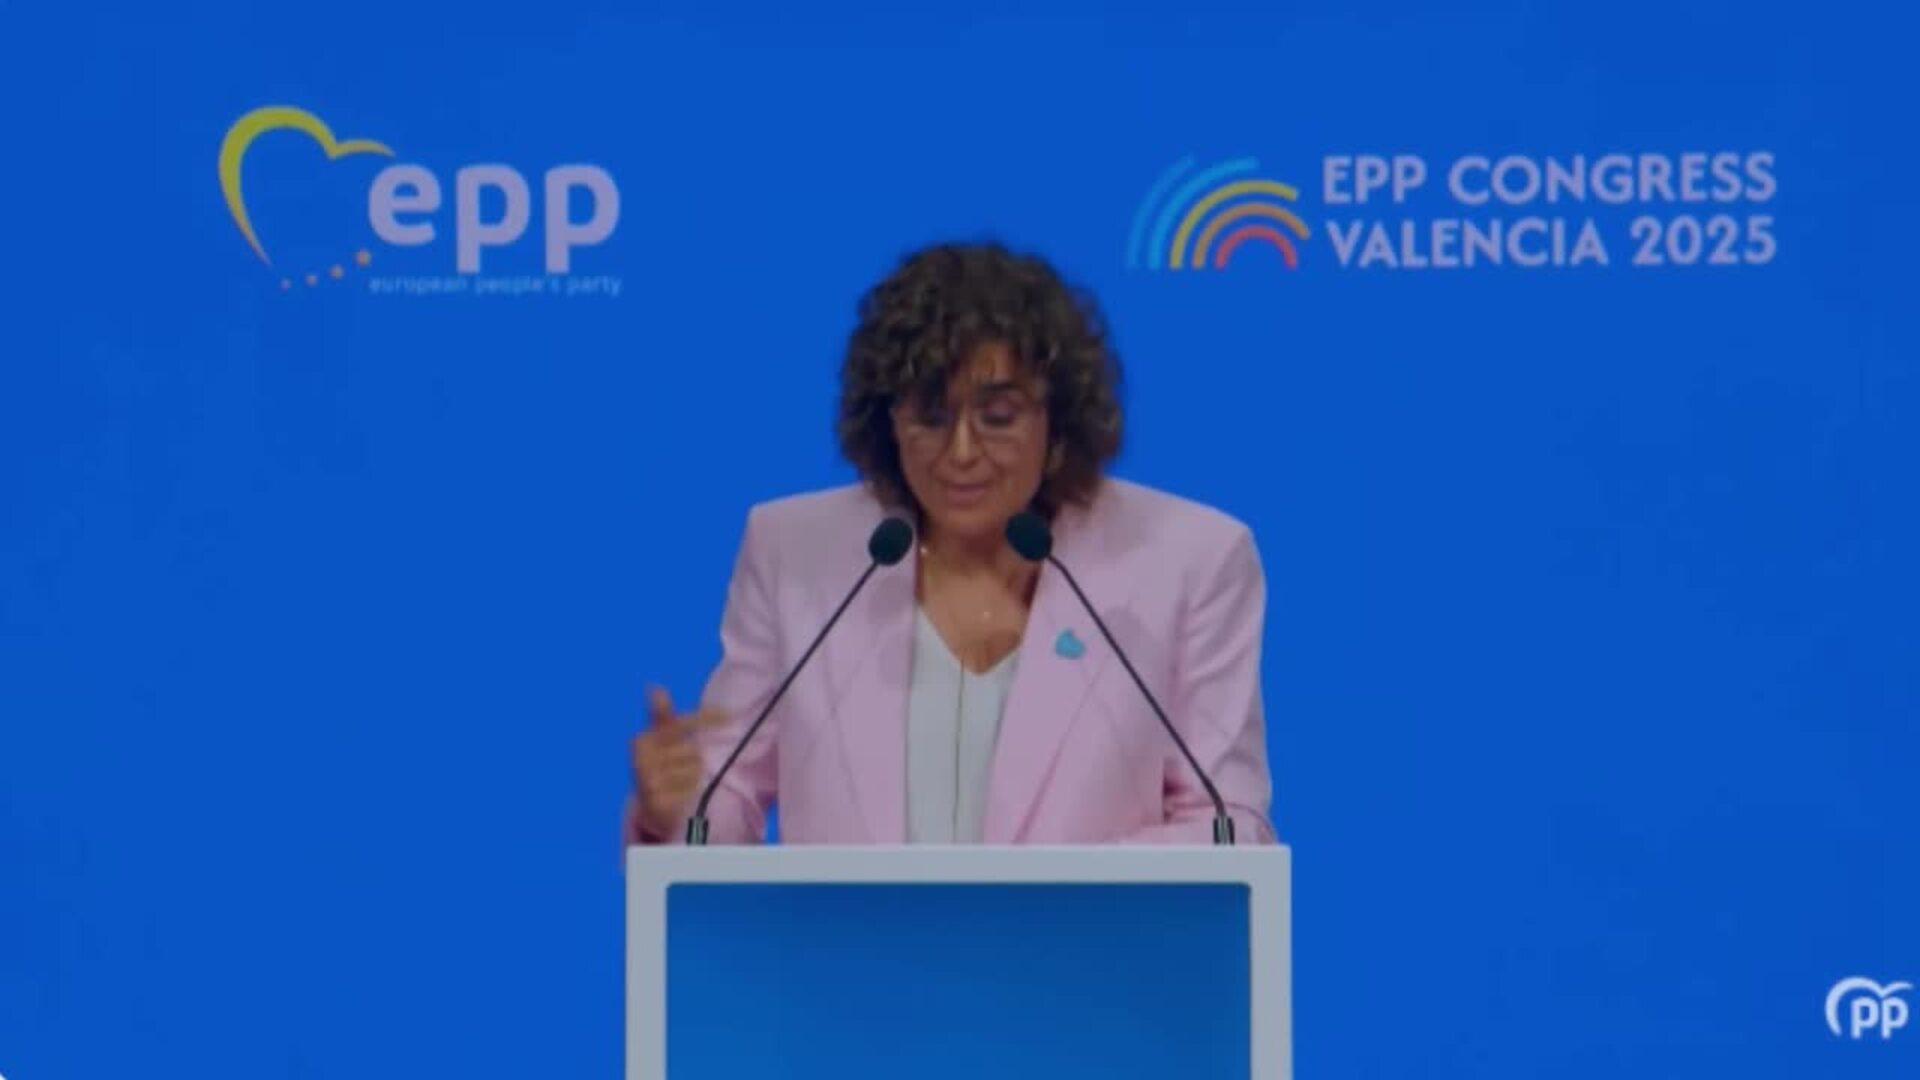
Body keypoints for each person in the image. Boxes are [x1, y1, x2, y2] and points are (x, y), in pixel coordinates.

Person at [626, 242, 1275, 845]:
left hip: (1092, 937)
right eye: (931, 416)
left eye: (998, 417)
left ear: (1057, 420)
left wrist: (1058, 901)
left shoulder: (1189, 562)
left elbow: (1229, 826)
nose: (961, 452)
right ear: (888, 420)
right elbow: (726, 795)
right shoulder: (792, 553)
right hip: (851, 939)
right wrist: (674, 811)